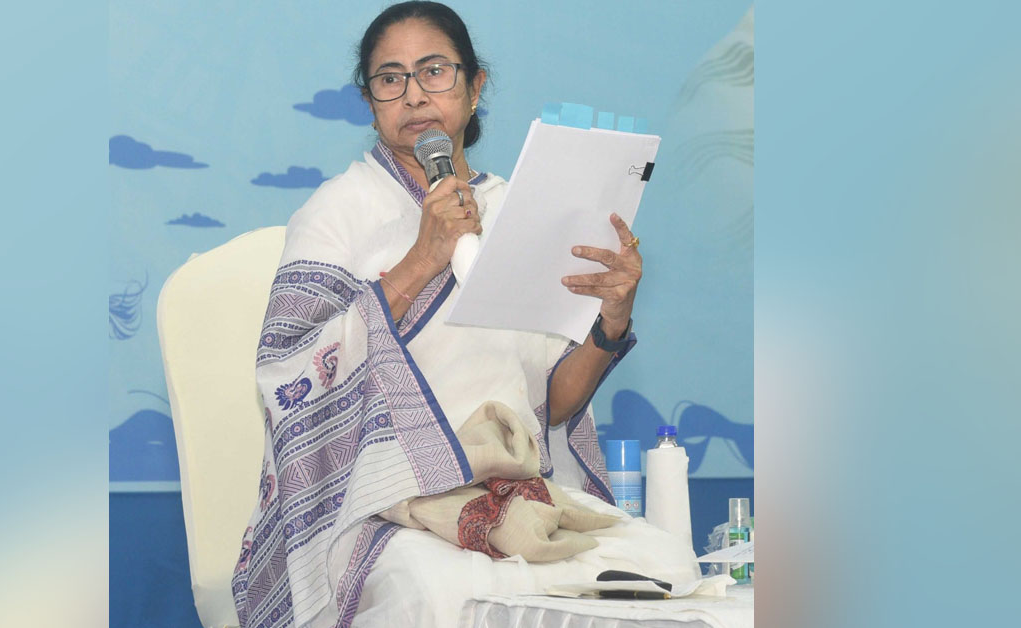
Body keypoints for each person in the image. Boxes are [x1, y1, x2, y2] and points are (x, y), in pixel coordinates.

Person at [232, 3, 697, 626]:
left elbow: (551, 405)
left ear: (475, 87)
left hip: (516, 495)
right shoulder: (337, 213)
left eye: (434, 71)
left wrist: (611, 322)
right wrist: (423, 259)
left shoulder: (518, 212)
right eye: (390, 79)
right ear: (370, 102)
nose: (414, 95)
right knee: (439, 593)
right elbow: (286, 376)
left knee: (666, 566)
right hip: (384, 506)